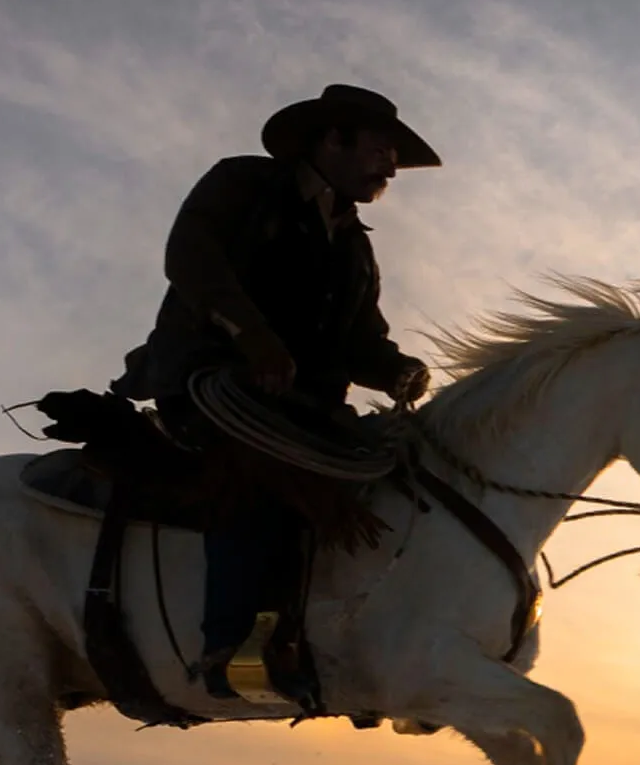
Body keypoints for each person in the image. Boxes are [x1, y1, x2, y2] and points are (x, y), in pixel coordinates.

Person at [112, 84, 438, 700]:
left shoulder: (356, 245)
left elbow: (360, 340)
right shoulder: (244, 185)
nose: (391, 169)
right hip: (211, 383)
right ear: (333, 138)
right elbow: (191, 259)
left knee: (394, 482)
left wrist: (397, 370)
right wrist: (252, 337)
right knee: (265, 476)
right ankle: (236, 649)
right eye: (381, 151)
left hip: (304, 408)